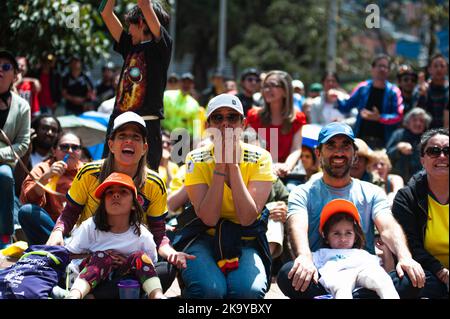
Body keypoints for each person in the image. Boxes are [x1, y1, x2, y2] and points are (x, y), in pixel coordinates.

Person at [46, 111, 194, 294]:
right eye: (122, 136)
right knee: (34, 220)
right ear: (111, 145)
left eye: (135, 137)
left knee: (168, 269)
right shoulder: (88, 173)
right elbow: (69, 214)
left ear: (145, 147)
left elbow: (158, 233)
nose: (129, 141)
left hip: (131, 263)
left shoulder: (155, 183)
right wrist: (57, 232)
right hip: (90, 259)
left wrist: (170, 251)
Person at [276, 122, 425, 299]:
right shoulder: (303, 192)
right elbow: (298, 227)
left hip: (365, 273)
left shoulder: (372, 192)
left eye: (345, 146)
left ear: (354, 155)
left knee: (411, 277)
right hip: (321, 275)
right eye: (331, 145)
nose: (338, 152)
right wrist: (304, 258)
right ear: (318, 153)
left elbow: (388, 227)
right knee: (288, 273)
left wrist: (404, 257)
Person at [173, 93, 275, 298]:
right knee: (210, 291)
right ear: (208, 125)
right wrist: (220, 167)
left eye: (232, 117)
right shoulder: (195, 158)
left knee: (248, 292)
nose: (225, 124)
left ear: (243, 124)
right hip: (203, 236)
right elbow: (209, 218)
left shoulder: (261, 157)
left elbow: (247, 218)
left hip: (245, 238)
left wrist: (233, 166)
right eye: (218, 118)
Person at [66, 172, 164, 299]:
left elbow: (151, 266)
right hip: (85, 284)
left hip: (123, 283)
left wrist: (128, 261)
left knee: (147, 261)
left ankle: (157, 296)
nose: (116, 195)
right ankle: (74, 296)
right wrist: (98, 257)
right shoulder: (90, 226)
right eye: (110, 193)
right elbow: (68, 255)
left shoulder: (143, 235)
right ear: (103, 203)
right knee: (102, 257)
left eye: (123, 192)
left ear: (134, 204)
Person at [100, 0, 172, 171]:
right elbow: (105, 12)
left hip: (146, 126)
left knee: (144, 185)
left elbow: (144, 4)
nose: (128, 30)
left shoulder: (162, 47)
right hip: (118, 124)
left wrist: (144, 7)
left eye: (129, 25)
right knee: (107, 179)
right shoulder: (129, 46)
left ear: (140, 23)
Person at [393, 128, 449, 299]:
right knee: (407, 283)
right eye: (434, 151)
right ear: (422, 160)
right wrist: (442, 272)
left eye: (448, 151)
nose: (442, 156)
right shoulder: (407, 197)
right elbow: (411, 245)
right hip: (429, 271)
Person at [313, 199, 400, 299]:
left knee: (383, 280)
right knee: (341, 287)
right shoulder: (321, 254)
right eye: (336, 233)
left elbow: (389, 271)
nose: (343, 239)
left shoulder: (363, 254)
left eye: (348, 233)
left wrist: (387, 252)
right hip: (339, 277)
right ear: (326, 237)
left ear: (355, 236)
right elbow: (306, 265)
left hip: (364, 274)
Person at [18, 131, 84, 245]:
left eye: (75, 147)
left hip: (80, 231)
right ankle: (62, 248)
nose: (70, 151)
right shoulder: (43, 168)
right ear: (54, 150)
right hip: (51, 229)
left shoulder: (87, 171)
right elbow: (27, 200)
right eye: (64, 147)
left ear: (80, 152)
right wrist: (46, 176)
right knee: (27, 211)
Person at [331, 54, 404, 150]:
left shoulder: (394, 91)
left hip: (384, 143)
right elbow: (346, 107)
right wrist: (335, 98)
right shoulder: (362, 87)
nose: (382, 69)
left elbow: (398, 115)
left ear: (389, 71)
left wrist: (379, 118)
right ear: (372, 69)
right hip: (361, 141)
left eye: (385, 67)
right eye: (379, 66)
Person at [245, 70, 307, 177]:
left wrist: (286, 166)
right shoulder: (254, 116)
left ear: (285, 91)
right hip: (260, 171)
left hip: (288, 172)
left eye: (272, 85)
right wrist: (270, 166)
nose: (267, 89)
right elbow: (254, 148)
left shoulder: (297, 118)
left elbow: (296, 149)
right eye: (265, 86)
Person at [0, 50, 31, 249]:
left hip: (4, 163)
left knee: (4, 175)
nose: (0, 72)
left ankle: (5, 235)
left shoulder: (22, 107)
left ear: (14, 75)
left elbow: (23, 144)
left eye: (5, 67)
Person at [386, 107, 432, 184]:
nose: (418, 123)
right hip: (398, 181)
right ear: (408, 122)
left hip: (421, 182)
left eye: (421, 121)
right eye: (414, 120)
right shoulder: (399, 134)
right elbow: (387, 156)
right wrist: (398, 149)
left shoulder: (428, 139)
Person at [162, 72, 200, 138]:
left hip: (181, 139)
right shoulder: (167, 95)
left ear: (192, 85)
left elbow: (196, 127)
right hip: (163, 133)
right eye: (184, 82)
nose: (186, 85)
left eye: (189, 83)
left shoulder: (194, 104)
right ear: (179, 83)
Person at [415, 54, 448, 129]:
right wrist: (422, 95)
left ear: (447, 69)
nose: (439, 69)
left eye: (442, 66)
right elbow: (416, 114)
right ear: (429, 69)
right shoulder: (421, 88)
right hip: (427, 134)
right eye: (435, 66)